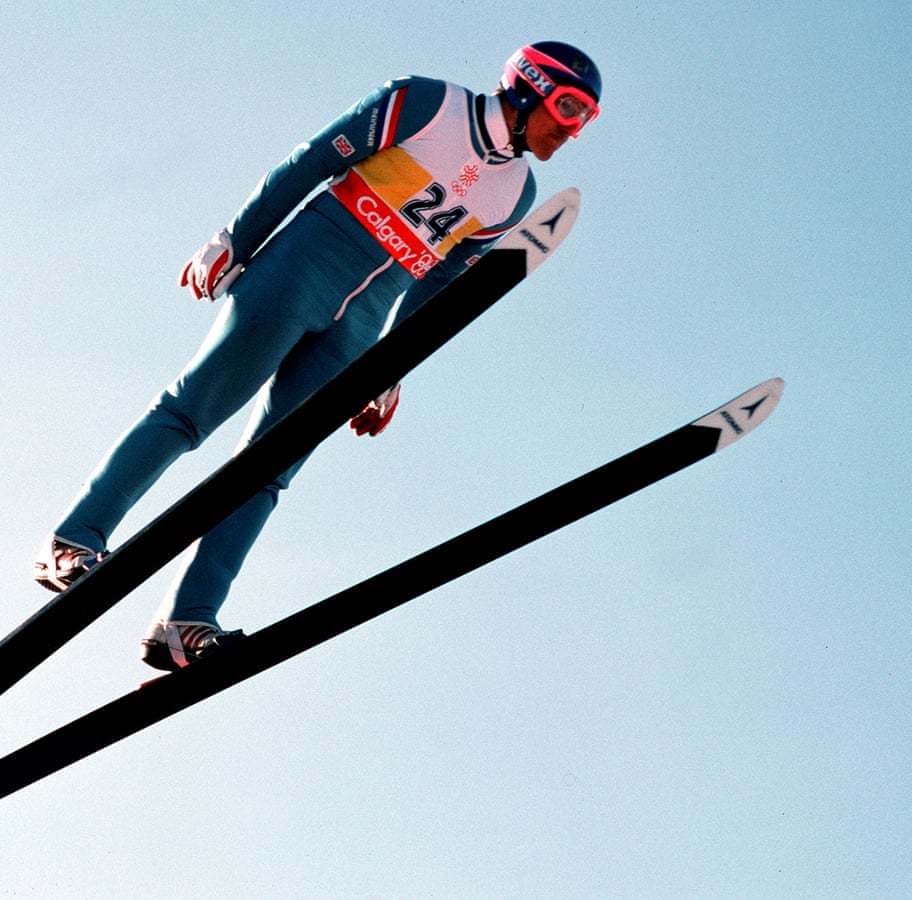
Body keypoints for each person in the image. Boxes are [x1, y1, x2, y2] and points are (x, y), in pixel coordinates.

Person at [33, 41, 603, 671]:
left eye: (587, 118)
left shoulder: (517, 193)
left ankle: (184, 622)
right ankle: (73, 541)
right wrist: (236, 239)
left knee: (268, 470)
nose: (573, 129)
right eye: (569, 107)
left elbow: (440, 282)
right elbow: (310, 162)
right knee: (192, 412)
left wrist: (392, 369)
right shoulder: (427, 103)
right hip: (299, 270)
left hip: (360, 322)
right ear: (527, 86)